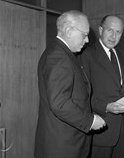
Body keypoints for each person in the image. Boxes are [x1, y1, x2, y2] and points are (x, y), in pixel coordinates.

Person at [34, 10, 106, 158]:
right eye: (84, 35)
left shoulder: (63, 54)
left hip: (67, 144)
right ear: (68, 31)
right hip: (61, 148)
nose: (86, 40)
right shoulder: (58, 56)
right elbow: (60, 103)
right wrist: (90, 120)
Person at [80, 15, 124, 158]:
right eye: (110, 30)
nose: (114, 36)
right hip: (101, 130)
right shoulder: (86, 55)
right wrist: (106, 106)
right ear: (101, 30)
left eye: (118, 32)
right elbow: (82, 95)